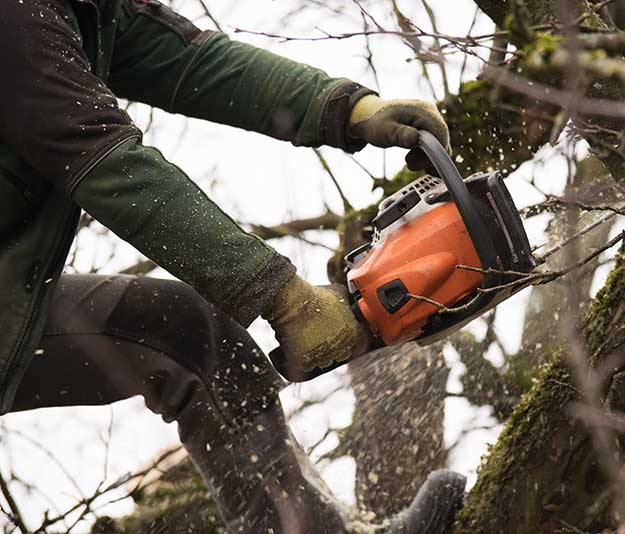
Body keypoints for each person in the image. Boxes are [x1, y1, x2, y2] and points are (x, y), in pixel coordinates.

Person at [0, 0, 465, 532]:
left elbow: (192, 63)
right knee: (187, 338)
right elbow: (109, 165)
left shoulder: (87, 11)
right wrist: (287, 298)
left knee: (194, 335)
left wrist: (349, 109)